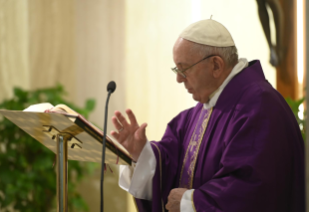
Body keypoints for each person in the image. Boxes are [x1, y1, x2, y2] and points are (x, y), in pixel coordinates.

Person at [111, 19, 305, 212]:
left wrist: (192, 202)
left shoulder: (260, 107)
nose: (179, 79)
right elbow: (169, 162)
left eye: (183, 68)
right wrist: (140, 154)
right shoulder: (194, 117)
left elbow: (253, 191)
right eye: (176, 69)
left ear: (216, 66)